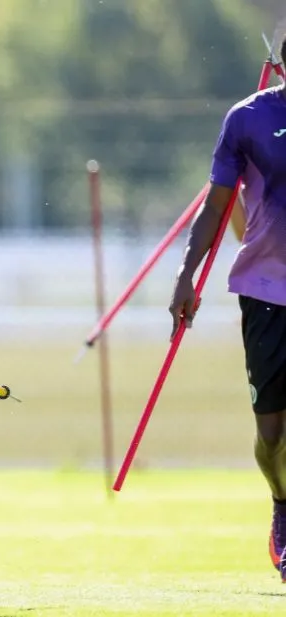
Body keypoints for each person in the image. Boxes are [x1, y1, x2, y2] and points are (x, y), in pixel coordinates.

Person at [168, 33, 286, 582]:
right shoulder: (247, 119)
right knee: (271, 438)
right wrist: (187, 274)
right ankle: (283, 505)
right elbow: (218, 204)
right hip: (266, 291)